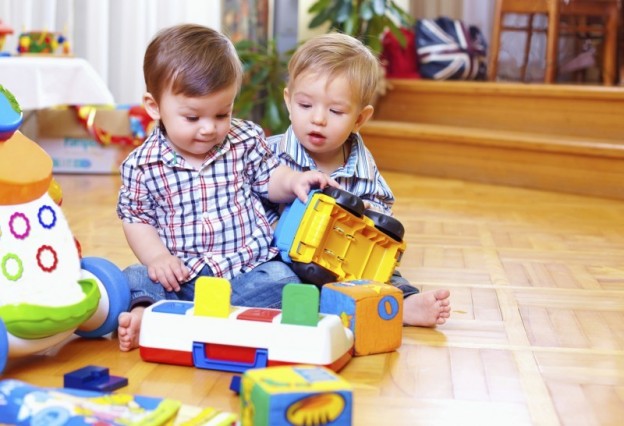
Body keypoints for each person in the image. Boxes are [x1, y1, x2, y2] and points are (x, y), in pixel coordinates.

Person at [116, 24, 336, 352]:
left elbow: (269, 178)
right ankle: (148, 314)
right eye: (192, 118)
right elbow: (137, 219)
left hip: (245, 273)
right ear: (154, 106)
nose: (209, 128)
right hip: (183, 279)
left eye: (222, 113)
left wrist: (294, 181)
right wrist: (158, 257)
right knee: (135, 277)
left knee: (284, 279)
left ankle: (194, 323)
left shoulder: (243, 139)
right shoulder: (142, 164)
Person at [265, 32, 451, 327]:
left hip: (345, 264)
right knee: (273, 280)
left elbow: (382, 214)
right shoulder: (269, 153)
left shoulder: (362, 166)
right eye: (305, 106)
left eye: (336, 111)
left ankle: (403, 304)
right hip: (285, 261)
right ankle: (324, 306)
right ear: (288, 101)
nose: (318, 119)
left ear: (360, 119)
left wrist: (363, 215)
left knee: (386, 276)